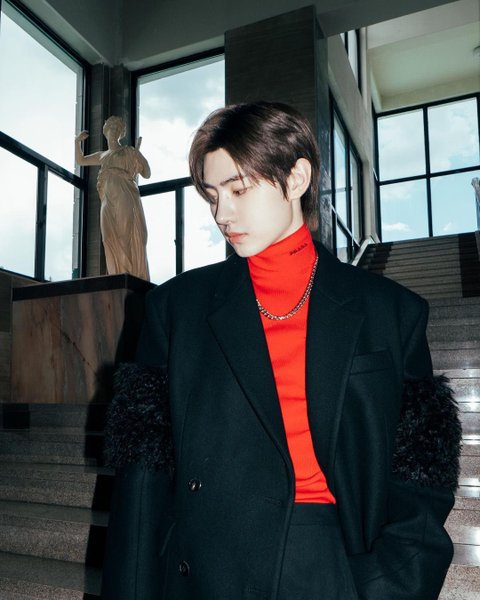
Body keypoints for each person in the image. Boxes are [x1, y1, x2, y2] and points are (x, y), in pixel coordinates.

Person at [102, 102, 461, 600]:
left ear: (296, 179)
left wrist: (385, 584)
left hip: (332, 564)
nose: (221, 214)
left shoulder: (392, 312)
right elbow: (142, 481)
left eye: (238, 189)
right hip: (209, 568)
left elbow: (422, 477)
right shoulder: (176, 309)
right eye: (212, 195)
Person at [75, 116, 151, 280]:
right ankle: (116, 275)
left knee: (124, 234)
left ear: (121, 133)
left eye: (118, 129)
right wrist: (77, 142)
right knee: (108, 237)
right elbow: (80, 160)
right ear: (105, 131)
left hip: (124, 195)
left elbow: (147, 173)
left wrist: (138, 154)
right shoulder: (102, 155)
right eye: (112, 128)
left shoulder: (128, 151)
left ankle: (129, 275)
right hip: (107, 200)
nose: (114, 131)